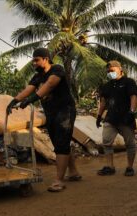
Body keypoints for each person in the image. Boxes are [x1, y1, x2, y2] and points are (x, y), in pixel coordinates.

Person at [6, 47, 81, 192]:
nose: (33, 63)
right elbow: (28, 89)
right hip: (51, 112)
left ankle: (59, 180)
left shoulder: (56, 69)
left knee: (61, 142)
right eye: (33, 60)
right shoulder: (38, 76)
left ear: (46, 59)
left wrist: (32, 100)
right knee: (60, 142)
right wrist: (13, 101)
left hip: (65, 110)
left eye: (36, 60)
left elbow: (50, 84)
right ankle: (74, 172)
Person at [96, 60, 137, 176]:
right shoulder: (107, 86)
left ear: (120, 69)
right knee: (106, 142)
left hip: (126, 118)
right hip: (110, 119)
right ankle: (110, 167)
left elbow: (134, 97)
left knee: (130, 144)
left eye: (112, 70)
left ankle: (129, 167)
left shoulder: (128, 82)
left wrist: (131, 112)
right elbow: (103, 102)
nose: (110, 73)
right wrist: (99, 116)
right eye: (108, 71)